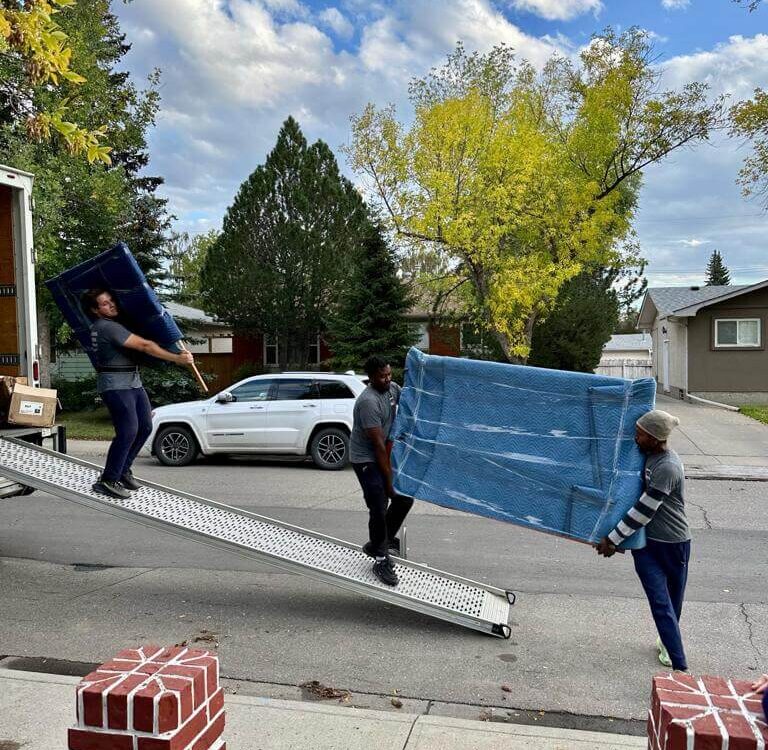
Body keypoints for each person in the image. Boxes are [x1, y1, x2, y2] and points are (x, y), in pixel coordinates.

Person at [596, 409, 691, 672]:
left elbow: (644, 510)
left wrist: (613, 539)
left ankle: (669, 646)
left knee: (673, 602)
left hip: (674, 543)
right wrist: (621, 541)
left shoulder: (668, 467)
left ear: (654, 437)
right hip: (646, 546)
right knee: (661, 603)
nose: (635, 437)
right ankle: (681, 667)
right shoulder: (645, 455)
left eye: (640, 434)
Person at [81, 288, 194, 499]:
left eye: (111, 300)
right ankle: (108, 479)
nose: (112, 304)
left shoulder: (114, 324)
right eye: (105, 303)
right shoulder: (106, 327)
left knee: (145, 427)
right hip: (116, 385)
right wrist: (177, 359)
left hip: (133, 383)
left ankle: (123, 471)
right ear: (95, 310)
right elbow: (145, 345)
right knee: (128, 431)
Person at [350, 356, 413, 587]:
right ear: (371, 378)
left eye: (389, 374)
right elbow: (377, 447)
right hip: (365, 458)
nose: (387, 379)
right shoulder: (368, 402)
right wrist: (388, 484)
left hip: (383, 453)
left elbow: (410, 400)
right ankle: (380, 558)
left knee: (405, 498)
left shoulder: (392, 389)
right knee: (378, 501)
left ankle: (378, 543)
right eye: (382, 376)